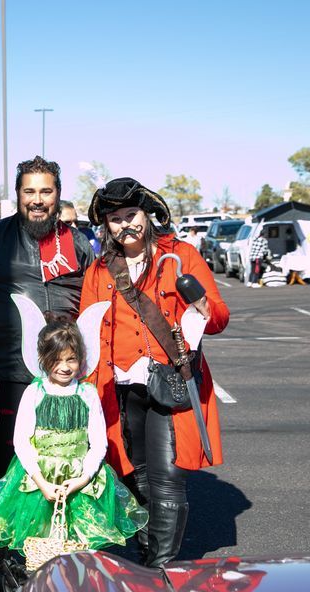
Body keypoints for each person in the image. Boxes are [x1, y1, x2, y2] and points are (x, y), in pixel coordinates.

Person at [80, 177, 229, 567]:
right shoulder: (99, 271)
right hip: (118, 387)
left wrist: (199, 303)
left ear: (147, 214)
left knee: (166, 479)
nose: (124, 225)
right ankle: (147, 553)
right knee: (133, 476)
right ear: (106, 225)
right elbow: (87, 329)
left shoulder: (180, 255)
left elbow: (218, 319)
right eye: (115, 219)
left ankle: (159, 566)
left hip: (170, 380)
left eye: (131, 215)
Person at [0, 156, 95, 498]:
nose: (37, 199)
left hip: (65, 373)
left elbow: (96, 297)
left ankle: (51, 541)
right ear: (17, 194)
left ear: (57, 194)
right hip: (7, 368)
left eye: (46, 191)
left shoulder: (76, 242)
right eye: (29, 191)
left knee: (62, 457)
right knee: (1, 461)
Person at [0, 320, 147, 553]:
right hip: (40, 478)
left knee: (78, 545)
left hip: (80, 479)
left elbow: (98, 443)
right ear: (43, 359)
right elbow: (22, 442)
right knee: (41, 541)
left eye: (71, 359)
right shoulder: (34, 392)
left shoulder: (87, 393)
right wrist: (42, 483)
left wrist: (84, 478)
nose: (64, 367)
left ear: (81, 359)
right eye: (56, 360)